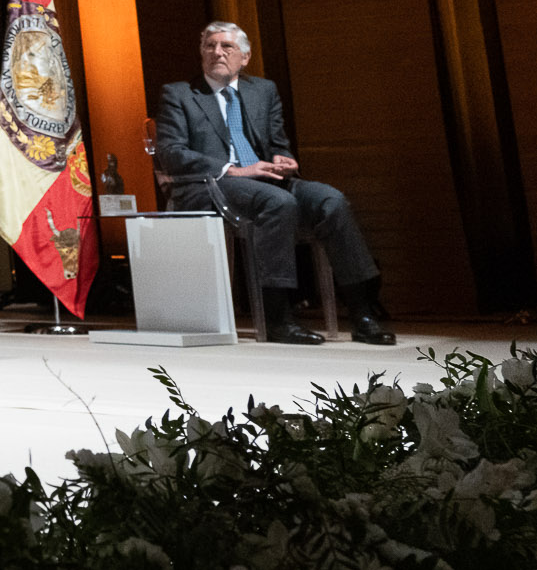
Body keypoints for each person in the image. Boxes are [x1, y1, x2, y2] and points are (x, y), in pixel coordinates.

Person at [152, 21, 393, 346]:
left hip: (267, 179)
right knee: (278, 203)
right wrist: (233, 169)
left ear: (245, 57)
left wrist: (284, 160)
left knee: (330, 200)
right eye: (210, 46)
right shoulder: (180, 94)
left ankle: (363, 313)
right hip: (215, 183)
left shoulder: (262, 91)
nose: (217, 52)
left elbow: (277, 143)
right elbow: (170, 153)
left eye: (227, 47)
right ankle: (278, 316)